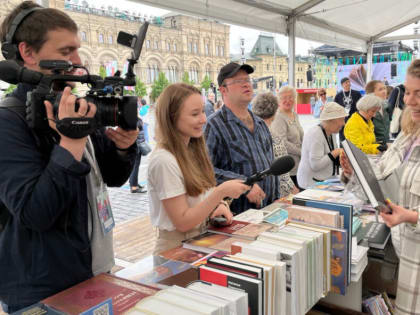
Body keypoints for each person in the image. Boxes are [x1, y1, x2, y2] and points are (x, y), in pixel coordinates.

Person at [0, 2, 138, 312]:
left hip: (91, 274)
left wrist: (123, 147)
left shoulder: (72, 103)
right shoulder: (8, 122)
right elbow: (36, 213)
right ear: (28, 52)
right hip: (43, 293)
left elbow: (113, 177)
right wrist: (70, 144)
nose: (77, 61)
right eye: (66, 51)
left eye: (77, 50)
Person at [340, 59, 420, 315]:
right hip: (406, 255)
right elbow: (380, 171)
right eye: (407, 92)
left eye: (419, 93)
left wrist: (412, 217)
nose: (408, 100)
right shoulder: (410, 134)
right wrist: (354, 172)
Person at [148, 83, 250, 253]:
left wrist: (219, 204)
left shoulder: (192, 150)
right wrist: (221, 192)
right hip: (176, 248)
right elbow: (183, 221)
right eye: (195, 114)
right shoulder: (164, 160)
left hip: (199, 240)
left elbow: (200, 198)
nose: (203, 119)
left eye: (203, 111)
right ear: (172, 117)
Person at [205, 62, 280, 214]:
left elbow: (270, 167)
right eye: (239, 81)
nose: (246, 84)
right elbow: (204, 171)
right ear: (223, 90)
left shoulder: (260, 123)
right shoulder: (214, 126)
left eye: (248, 80)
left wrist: (276, 199)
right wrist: (245, 185)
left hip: (268, 212)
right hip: (237, 218)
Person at [251, 92, 299, 197]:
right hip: (274, 196)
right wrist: (294, 191)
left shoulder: (249, 135)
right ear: (274, 112)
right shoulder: (274, 138)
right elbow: (283, 177)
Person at [297, 102, 347, 189]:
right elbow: (315, 165)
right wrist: (335, 152)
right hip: (310, 184)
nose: (343, 124)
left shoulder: (331, 132)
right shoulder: (316, 134)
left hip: (324, 180)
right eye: (341, 120)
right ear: (331, 120)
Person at [270, 86, 304, 190]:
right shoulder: (279, 117)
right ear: (279, 100)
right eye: (284, 98)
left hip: (299, 165)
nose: (288, 100)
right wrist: (301, 152)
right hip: (289, 167)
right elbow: (282, 142)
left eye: (291, 97)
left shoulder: (294, 114)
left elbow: (300, 135)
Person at [365, 80, 390, 145]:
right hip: (373, 148)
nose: (384, 91)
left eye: (385, 88)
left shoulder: (387, 106)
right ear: (371, 93)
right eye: (380, 89)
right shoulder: (366, 109)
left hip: (387, 145)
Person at [129, 117, 147, 193]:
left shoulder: (133, 119)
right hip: (136, 147)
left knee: (134, 166)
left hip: (136, 146)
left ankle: (133, 183)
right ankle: (134, 187)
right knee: (135, 167)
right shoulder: (134, 120)